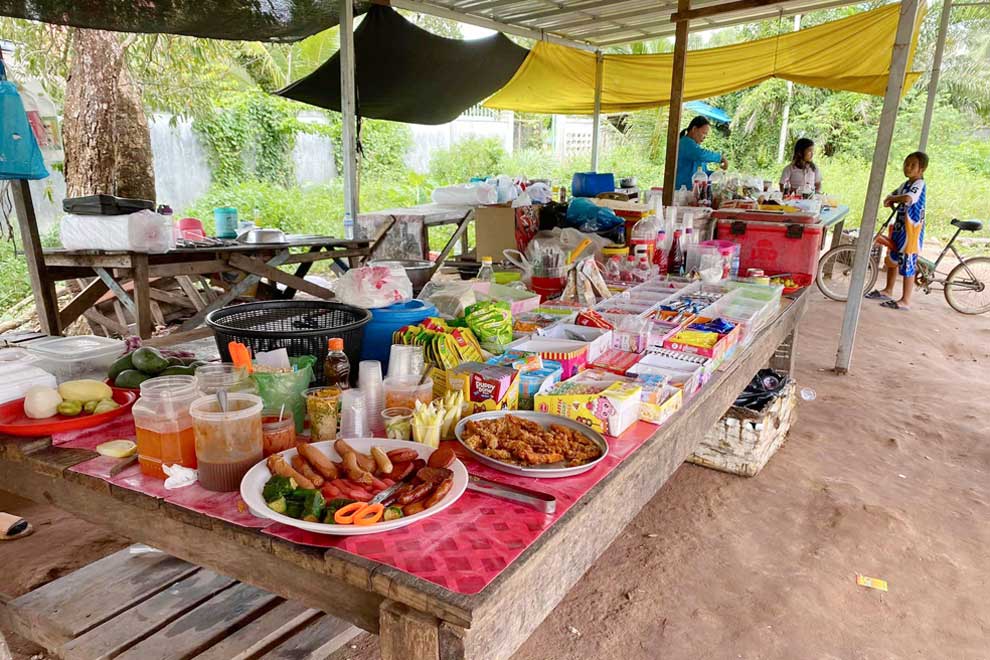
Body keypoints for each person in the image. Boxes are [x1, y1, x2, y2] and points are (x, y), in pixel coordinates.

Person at [865, 151, 928, 311]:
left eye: (912, 165)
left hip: (911, 230)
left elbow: (907, 199)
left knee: (908, 262)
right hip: (900, 227)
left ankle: (906, 300)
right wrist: (890, 198)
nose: (907, 167)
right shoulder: (905, 184)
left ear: (921, 169)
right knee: (892, 258)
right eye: (906, 163)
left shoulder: (919, 184)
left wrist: (892, 199)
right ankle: (888, 290)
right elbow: (892, 195)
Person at [675, 116, 727, 191]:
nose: (705, 137)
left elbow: (703, 173)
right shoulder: (685, 143)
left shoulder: (695, 148)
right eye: (704, 133)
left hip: (692, 193)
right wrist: (720, 158)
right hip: (681, 192)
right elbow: (700, 154)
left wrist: (718, 174)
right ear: (694, 129)